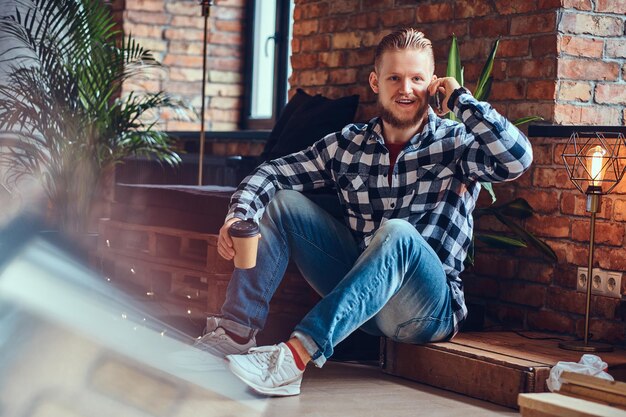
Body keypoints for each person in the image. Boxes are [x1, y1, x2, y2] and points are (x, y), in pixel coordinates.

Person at [196, 28, 533, 396]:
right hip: (364, 303)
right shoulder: (347, 145)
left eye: (417, 79)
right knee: (280, 203)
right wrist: (237, 215)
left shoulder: (454, 143)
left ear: (432, 83)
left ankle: (294, 357)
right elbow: (272, 172)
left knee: (398, 233)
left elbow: (517, 158)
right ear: (376, 81)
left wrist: (460, 99)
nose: (406, 88)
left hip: (425, 311)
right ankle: (235, 333)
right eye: (394, 78)